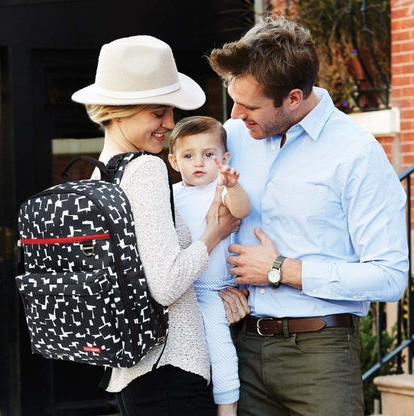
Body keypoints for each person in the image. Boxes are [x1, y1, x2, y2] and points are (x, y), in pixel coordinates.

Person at [207, 16, 409, 416]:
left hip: (319, 359)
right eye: (234, 100)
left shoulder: (356, 152)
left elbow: (390, 276)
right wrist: (218, 288)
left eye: (250, 106)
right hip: (240, 350)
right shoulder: (234, 138)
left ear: (293, 98)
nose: (236, 114)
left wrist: (282, 269)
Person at [71, 35, 240, 416]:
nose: (169, 124)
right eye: (157, 112)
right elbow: (166, 284)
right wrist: (214, 233)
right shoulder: (145, 168)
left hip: (131, 371)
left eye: (170, 112)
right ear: (119, 111)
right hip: (171, 368)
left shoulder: (102, 171)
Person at [168, 116, 250, 416]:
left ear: (224, 159)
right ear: (174, 161)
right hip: (183, 287)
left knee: (220, 348)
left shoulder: (221, 188)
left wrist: (233, 185)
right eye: (188, 156)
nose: (198, 162)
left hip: (215, 290)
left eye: (208, 154)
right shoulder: (171, 194)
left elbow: (242, 210)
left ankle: (227, 408)